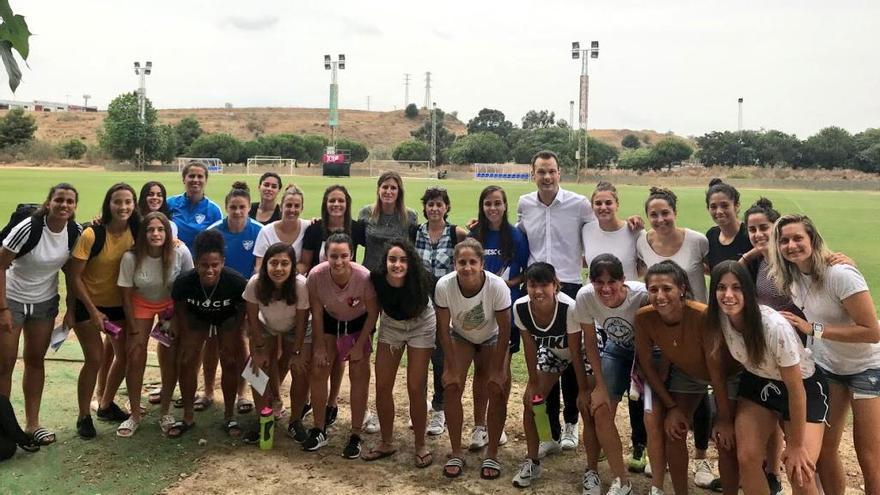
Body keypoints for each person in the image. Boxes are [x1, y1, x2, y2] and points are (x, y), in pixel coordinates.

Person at [769, 214, 880, 494]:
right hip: (829, 366)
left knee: (869, 457)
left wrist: (813, 329)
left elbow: (872, 331)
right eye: (784, 240)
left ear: (813, 240)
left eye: (798, 238)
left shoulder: (840, 274)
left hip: (867, 367)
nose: (792, 245)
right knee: (826, 452)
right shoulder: (791, 277)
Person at [708, 261, 828, 495]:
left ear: (749, 291)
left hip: (801, 387)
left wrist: (795, 444)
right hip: (758, 382)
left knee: (799, 471)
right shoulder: (719, 318)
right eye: (721, 288)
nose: (728, 295)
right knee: (747, 458)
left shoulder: (772, 326)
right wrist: (723, 418)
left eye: (737, 287)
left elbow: (796, 389)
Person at [511, 262, 632, 494]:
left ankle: (591, 471)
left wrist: (583, 390)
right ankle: (534, 457)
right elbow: (529, 346)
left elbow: (576, 352)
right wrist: (533, 381)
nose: (538, 291)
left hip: (584, 349)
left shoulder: (569, 307)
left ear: (556, 285)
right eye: (532, 285)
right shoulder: (520, 307)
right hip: (553, 350)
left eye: (544, 284)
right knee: (532, 401)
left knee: (587, 408)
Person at [634, 260, 740, 495]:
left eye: (667, 289)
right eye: (653, 290)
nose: (660, 295)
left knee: (725, 439)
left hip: (727, 374)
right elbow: (647, 367)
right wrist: (672, 408)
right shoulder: (643, 318)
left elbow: (716, 370)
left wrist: (723, 418)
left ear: (682, 289)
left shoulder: (701, 315)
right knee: (674, 430)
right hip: (688, 373)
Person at [0, 183, 81, 446]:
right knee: (5, 363)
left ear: (74, 207)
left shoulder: (73, 231)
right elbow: (0, 265)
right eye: (59, 200)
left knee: (35, 361)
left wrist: (71, 307)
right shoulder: (28, 228)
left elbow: (72, 272)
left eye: (70, 201)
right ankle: (5, 428)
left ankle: (32, 425)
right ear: (48, 203)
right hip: (11, 298)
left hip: (44, 304)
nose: (64, 205)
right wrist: (2, 309)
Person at [580, 181, 649, 472]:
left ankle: (640, 444)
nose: (603, 208)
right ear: (592, 206)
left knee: (641, 391)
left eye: (609, 202)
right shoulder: (586, 229)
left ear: (617, 203)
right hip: (606, 315)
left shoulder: (634, 230)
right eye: (598, 203)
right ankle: (604, 443)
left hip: (635, 309)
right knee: (608, 386)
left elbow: (646, 263)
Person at [434, 238, 511, 480]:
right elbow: (443, 328)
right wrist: (450, 365)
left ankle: (492, 453)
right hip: (461, 335)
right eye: (461, 262)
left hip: (493, 336)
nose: (467, 268)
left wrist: (499, 369)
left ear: (482, 263)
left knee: (496, 387)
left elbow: (505, 329)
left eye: (472, 262)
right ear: (454, 263)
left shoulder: (496, 286)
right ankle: (456, 451)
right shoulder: (445, 285)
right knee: (452, 385)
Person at [69, 183, 139, 439]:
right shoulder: (92, 233)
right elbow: (74, 277)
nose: (123, 207)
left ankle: (106, 404)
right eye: (117, 202)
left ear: (134, 205)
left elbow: (160, 233)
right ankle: (83, 416)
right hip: (87, 304)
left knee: (126, 355)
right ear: (108, 204)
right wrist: (93, 311)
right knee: (95, 358)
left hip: (118, 304)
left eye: (128, 202)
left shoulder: (137, 230)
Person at [574, 254, 649, 494]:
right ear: (591, 281)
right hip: (616, 348)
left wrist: (643, 375)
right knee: (600, 409)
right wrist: (600, 386)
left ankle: (656, 473)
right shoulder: (585, 296)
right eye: (599, 282)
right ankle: (621, 480)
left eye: (612, 282)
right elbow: (590, 341)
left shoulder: (642, 295)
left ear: (623, 280)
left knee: (653, 412)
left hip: (647, 352)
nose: (605, 288)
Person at [302, 233, 379, 459]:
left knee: (359, 371)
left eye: (344, 256)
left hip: (359, 322)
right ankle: (319, 428)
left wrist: (360, 345)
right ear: (325, 256)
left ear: (352, 255)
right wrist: (319, 347)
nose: (338, 261)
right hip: (330, 321)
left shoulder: (363, 277)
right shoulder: (316, 276)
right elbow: (316, 313)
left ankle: (355, 433)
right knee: (319, 369)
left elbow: (373, 313)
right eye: (333, 256)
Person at [116, 212, 193, 437]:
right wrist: (132, 326)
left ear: (168, 233)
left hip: (170, 305)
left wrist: (178, 318)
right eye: (150, 230)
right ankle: (135, 415)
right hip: (140, 303)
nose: (156, 234)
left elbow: (187, 287)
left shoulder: (180, 252)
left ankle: (165, 411)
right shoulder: (131, 257)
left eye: (160, 230)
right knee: (135, 354)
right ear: (143, 234)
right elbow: (126, 294)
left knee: (169, 357)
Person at [169, 229, 248, 438]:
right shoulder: (185, 281)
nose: (210, 270)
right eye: (204, 265)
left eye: (215, 265)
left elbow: (244, 308)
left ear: (223, 261)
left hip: (227, 317)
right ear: (195, 263)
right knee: (186, 359)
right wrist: (185, 334)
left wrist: (236, 332)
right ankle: (187, 415)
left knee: (230, 360)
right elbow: (179, 307)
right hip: (197, 316)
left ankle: (229, 416)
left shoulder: (236, 282)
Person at [363, 240, 435, 467]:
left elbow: (440, 305)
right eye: (392, 259)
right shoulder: (376, 278)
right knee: (382, 384)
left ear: (410, 263)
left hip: (421, 324)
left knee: (416, 386)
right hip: (391, 325)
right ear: (385, 262)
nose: (397, 264)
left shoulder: (422, 277)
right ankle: (386, 441)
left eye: (403, 260)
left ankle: (421, 443)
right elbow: (372, 310)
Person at [467, 185, 529, 448]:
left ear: (505, 206)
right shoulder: (474, 234)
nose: (492, 208)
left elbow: (525, 272)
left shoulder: (515, 236)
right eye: (488, 204)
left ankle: (497, 425)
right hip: (477, 311)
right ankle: (479, 426)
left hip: (506, 311)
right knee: (481, 369)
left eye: (497, 203)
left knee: (501, 371)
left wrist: (503, 285)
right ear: (482, 207)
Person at [299, 184, 361, 428]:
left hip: (347, 301)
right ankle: (307, 399)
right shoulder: (315, 229)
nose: (336, 205)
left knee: (339, 356)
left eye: (341, 201)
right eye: (332, 201)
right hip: (319, 298)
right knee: (319, 352)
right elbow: (304, 262)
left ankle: (332, 401)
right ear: (325, 204)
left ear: (347, 204)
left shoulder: (356, 228)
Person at [410, 186, 467, 440]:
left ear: (446, 207)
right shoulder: (415, 233)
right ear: (425, 207)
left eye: (439, 204)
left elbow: (473, 257)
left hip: (446, 304)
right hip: (420, 304)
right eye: (430, 204)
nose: (434, 208)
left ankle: (439, 410)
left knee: (441, 357)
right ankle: (419, 408)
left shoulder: (456, 233)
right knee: (419, 357)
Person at [204, 182, 263, 415]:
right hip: (217, 296)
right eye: (233, 207)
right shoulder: (214, 232)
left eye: (242, 207)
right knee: (211, 344)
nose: (237, 212)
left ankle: (243, 393)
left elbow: (260, 267)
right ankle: (207, 391)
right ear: (226, 207)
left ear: (249, 208)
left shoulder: (258, 230)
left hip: (245, 297)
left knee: (241, 344)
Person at [242, 242, 309, 443]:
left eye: (284, 263)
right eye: (273, 263)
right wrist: (259, 349)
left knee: (300, 368)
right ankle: (264, 416)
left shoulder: (300, 285)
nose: (279, 269)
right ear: (266, 265)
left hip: (295, 328)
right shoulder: (255, 283)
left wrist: (297, 352)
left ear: (292, 265)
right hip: (265, 326)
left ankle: (296, 421)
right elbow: (252, 319)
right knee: (255, 369)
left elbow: (302, 322)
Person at [136, 181, 178, 408]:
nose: (154, 197)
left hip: (166, 299)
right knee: (131, 347)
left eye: (159, 194)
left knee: (166, 343)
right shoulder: (134, 221)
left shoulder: (169, 223)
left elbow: (172, 248)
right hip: (140, 294)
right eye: (150, 194)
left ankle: (166, 390)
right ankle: (105, 393)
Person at [356, 171, 417, 272]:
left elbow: (411, 248)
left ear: (399, 192)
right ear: (378, 189)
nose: (388, 191)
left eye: (393, 188)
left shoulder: (410, 216)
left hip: (397, 274)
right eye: (385, 187)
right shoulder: (366, 213)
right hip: (370, 273)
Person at [167, 161, 222, 252]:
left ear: (206, 180)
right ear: (184, 179)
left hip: (199, 263)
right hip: (172, 261)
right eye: (191, 176)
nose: (195, 180)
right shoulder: (170, 204)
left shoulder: (214, 210)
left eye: (200, 176)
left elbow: (217, 244)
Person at [253, 185, 310, 273]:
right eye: (288, 205)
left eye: (297, 206)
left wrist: (288, 277)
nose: (292, 210)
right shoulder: (266, 232)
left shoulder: (308, 227)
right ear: (280, 207)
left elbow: (305, 264)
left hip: (296, 279)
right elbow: (259, 267)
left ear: (302, 208)